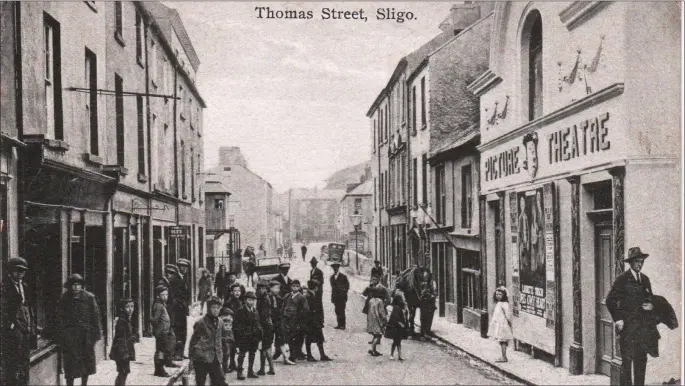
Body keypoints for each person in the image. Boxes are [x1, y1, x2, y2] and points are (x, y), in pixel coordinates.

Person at [605, 247, 657, 386]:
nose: (640, 264)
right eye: (637, 262)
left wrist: (651, 306)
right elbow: (610, 300)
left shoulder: (645, 280)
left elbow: (650, 299)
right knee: (627, 365)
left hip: (643, 331)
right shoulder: (622, 279)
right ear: (631, 263)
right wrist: (619, 319)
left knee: (641, 362)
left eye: (641, 262)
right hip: (628, 330)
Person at [58, 274, 102, 386]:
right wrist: (63, 335)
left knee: (85, 365)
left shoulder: (89, 297)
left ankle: (84, 384)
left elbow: (95, 318)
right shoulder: (64, 298)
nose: (76, 288)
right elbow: (60, 317)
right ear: (70, 286)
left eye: (78, 285)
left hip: (85, 338)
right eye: (74, 285)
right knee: (70, 366)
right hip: (70, 338)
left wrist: (95, 336)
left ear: (82, 286)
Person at [1, 257, 34, 386]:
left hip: (25, 330)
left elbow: (28, 307)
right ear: (10, 271)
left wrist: (30, 325)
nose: (20, 273)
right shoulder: (4, 287)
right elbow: (4, 311)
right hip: (12, 331)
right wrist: (13, 325)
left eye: (23, 271)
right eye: (17, 270)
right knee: (12, 363)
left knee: (24, 360)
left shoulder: (24, 286)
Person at [189, 296, 229, 386]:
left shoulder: (221, 322)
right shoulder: (201, 323)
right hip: (201, 358)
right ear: (209, 308)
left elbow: (222, 340)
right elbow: (193, 341)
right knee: (200, 382)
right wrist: (191, 359)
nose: (216, 310)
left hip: (215, 358)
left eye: (218, 308)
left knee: (220, 382)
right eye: (213, 308)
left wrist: (225, 355)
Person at [233, 291, 263, 380]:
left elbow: (258, 324)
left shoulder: (255, 311)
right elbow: (236, 325)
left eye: (253, 300)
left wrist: (259, 336)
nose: (251, 302)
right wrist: (241, 335)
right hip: (244, 337)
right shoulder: (240, 311)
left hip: (253, 338)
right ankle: (239, 371)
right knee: (242, 354)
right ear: (245, 300)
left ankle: (250, 371)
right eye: (249, 300)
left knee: (252, 354)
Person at [110, 298, 137, 386]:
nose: (130, 309)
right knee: (123, 372)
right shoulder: (122, 321)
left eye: (132, 306)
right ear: (123, 308)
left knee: (123, 372)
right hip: (122, 352)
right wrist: (124, 354)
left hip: (124, 351)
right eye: (127, 307)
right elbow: (121, 339)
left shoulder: (126, 319)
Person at [151, 285, 177, 377]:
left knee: (161, 351)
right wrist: (158, 329)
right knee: (161, 352)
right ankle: (160, 369)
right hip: (161, 333)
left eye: (166, 294)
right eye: (163, 295)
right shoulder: (159, 306)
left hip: (163, 332)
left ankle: (159, 369)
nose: (165, 297)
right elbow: (155, 320)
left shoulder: (162, 305)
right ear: (158, 296)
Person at [281, 280, 309, 362]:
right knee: (289, 337)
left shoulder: (302, 297)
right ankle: (292, 354)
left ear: (299, 287)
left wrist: (300, 320)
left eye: (297, 286)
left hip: (296, 320)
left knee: (295, 338)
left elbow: (305, 310)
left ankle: (295, 355)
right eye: (293, 286)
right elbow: (283, 306)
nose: (295, 288)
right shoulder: (287, 296)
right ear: (291, 287)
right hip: (287, 320)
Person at [304, 280, 331, 362]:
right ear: (315, 287)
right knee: (309, 338)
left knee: (319, 338)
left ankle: (322, 355)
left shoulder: (312, 295)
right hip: (311, 321)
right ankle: (309, 355)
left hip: (315, 321)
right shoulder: (309, 296)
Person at [269, 281, 295, 364]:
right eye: (276, 288)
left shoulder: (278, 298)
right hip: (270, 321)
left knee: (281, 339)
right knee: (269, 340)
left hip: (277, 320)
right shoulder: (267, 297)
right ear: (271, 288)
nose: (278, 290)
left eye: (278, 288)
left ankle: (286, 358)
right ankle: (268, 359)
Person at [488, 287, 513, 363]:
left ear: (504, 295)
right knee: (501, 341)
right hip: (499, 324)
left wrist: (510, 324)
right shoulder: (499, 303)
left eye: (500, 294)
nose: (498, 296)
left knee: (503, 341)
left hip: (503, 325)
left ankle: (504, 357)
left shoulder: (504, 304)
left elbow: (508, 315)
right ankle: (503, 356)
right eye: (497, 294)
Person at [256, 281, 276, 375]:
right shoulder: (265, 298)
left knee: (265, 348)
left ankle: (266, 369)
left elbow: (263, 315)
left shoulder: (264, 299)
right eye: (258, 288)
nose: (259, 290)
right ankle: (266, 369)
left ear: (265, 289)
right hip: (268, 326)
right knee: (265, 348)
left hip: (265, 326)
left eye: (261, 288)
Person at [173, 259, 191, 360]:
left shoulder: (183, 278)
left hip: (182, 310)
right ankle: (177, 354)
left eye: (186, 267)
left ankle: (180, 352)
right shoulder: (176, 279)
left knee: (183, 331)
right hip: (178, 310)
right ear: (179, 267)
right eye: (182, 267)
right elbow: (175, 296)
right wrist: (182, 305)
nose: (185, 269)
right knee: (179, 331)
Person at [386, 292, 408, 361]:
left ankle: (399, 355)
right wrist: (401, 324)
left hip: (398, 328)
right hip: (396, 328)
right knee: (396, 342)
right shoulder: (397, 308)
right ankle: (392, 355)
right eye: (403, 297)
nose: (404, 298)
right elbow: (395, 318)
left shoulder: (399, 307)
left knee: (398, 342)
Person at [366, 287, 387, 357]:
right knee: (378, 335)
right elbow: (381, 312)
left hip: (371, 320)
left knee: (375, 335)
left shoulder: (371, 300)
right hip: (377, 320)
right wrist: (384, 319)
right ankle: (372, 350)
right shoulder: (380, 301)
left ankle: (374, 349)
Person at [330, 262, 350, 330]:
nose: (335, 269)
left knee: (342, 311)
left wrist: (343, 293)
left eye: (336, 267)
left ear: (338, 268)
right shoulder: (332, 277)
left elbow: (347, 286)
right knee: (337, 310)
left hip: (342, 297)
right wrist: (332, 297)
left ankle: (343, 325)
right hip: (336, 297)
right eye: (334, 268)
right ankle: (339, 324)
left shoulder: (343, 277)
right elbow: (332, 288)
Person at [219, 307, 235, 374]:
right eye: (226, 325)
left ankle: (225, 369)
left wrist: (232, 340)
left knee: (226, 358)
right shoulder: (220, 326)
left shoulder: (229, 326)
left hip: (228, 346)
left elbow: (232, 336)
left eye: (230, 325)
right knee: (222, 358)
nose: (228, 327)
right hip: (222, 346)